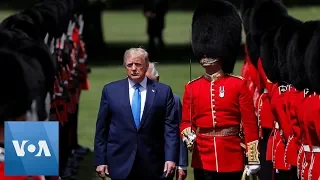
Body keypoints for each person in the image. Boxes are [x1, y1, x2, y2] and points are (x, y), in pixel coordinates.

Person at [179, 0, 260, 179]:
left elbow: (249, 124)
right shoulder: (192, 87)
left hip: (231, 155)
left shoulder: (238, 85)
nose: (205, 56)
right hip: (202, 157)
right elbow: (186, 122)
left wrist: (253, 158)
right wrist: (188, 135)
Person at [94, 47, 179, 180]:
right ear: (125, 66)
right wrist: (100, 160)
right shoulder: (110, 91)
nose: (133, 68)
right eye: (129, 65)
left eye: (138, 64)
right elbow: (102, 129)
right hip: (120, 162)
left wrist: (171, 158)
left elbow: (170, 130)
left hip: (154, 163)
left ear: (146, 66)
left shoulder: (163, 92)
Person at [145, 62, 188, 180]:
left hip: (164, 164)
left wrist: (182, 165)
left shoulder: (173, 100)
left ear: (157, 79)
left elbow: (180, 133)